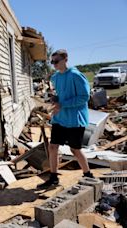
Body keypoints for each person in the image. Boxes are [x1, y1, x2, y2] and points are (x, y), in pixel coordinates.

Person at [38, 49, 94, 189]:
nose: (54, 64)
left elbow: (84, 97)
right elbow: (60, 94)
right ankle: (53, 177)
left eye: (56, 61)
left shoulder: (76, 75)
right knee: (53, 147)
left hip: (75, 119)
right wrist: (55, 99)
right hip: (60, 118)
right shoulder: (56, 77)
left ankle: (88, 175)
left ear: (65, 59)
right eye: (52, 62)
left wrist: (63, 104)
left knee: (75, 149)